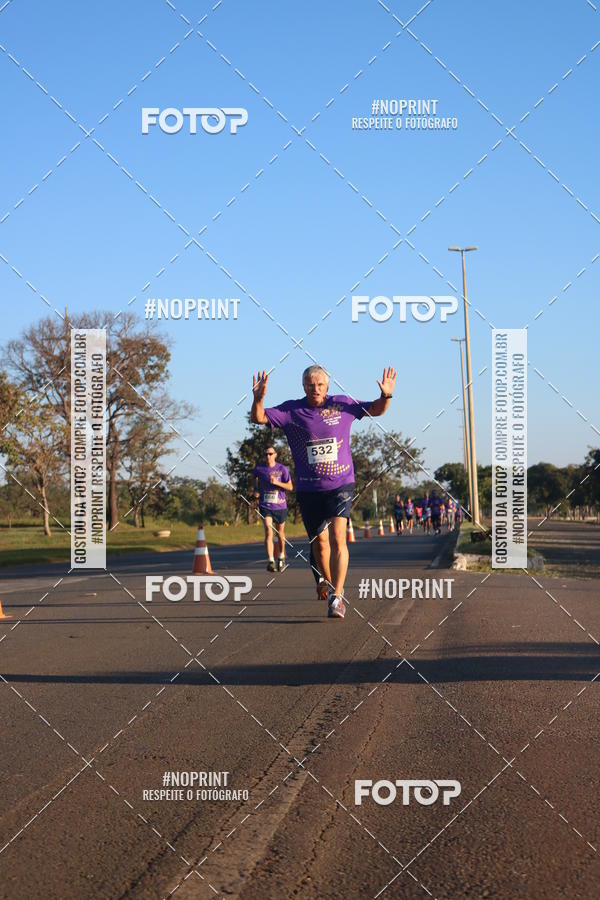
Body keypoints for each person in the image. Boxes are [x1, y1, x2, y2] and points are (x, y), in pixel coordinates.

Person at [251, 364, 397, 619]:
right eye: (310, 384)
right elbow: (259, 418)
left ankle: (337, 596)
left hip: (341, 484)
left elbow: (376, 409)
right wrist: (259, 399)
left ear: (327, 386)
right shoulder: (291, 411)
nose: (315, 389)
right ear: (303, 386)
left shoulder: (342, 405)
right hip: (309, 488)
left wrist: (386, 396)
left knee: (338, 538)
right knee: (319, 544)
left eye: (320, 385)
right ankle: (330, 588)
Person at [253, 446, 293, 571]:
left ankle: (281, 556)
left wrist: (277, 483)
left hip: (280, 505)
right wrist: (256, 490)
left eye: (270, 454)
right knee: (268, 531)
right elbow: (254, 479)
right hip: (265, 505)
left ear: (275, 454)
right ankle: (270, 561)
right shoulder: (259, 469)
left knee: (280, 533)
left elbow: (290, 487)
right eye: (266, 454)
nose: (268, 456)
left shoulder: (282, 469)